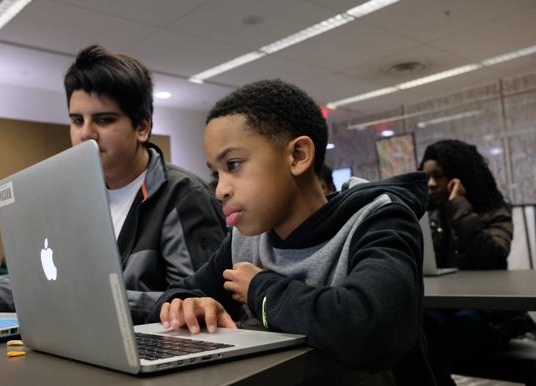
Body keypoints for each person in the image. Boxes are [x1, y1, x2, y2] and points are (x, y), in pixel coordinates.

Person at [148, 79, 435, 385]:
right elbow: (182, 294)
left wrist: (260, 289)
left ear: (298, 155)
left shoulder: (378, 220)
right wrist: (187, 305)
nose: (219, 190)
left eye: (233, 164)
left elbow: (371, 332)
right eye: (215, 174)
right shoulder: (246, 239)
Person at [0, 45, 227, 324]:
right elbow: (29, 285)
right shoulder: (67, 200)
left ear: (142, 127)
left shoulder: (184, 197)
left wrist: (80, 298)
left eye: (103, 120)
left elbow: (195, 303)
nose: (85, 134)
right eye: (77, 120)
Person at [420, 139, 534, 385]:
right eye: (426, 177)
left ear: (460, 176)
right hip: (444, 308)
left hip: (488, 314)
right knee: (409, 347)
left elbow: (492, 254)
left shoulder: (496, 211)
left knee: (435, 355)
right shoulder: (431, 217)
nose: (430, 184)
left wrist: (458, 205)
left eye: (438, 176)